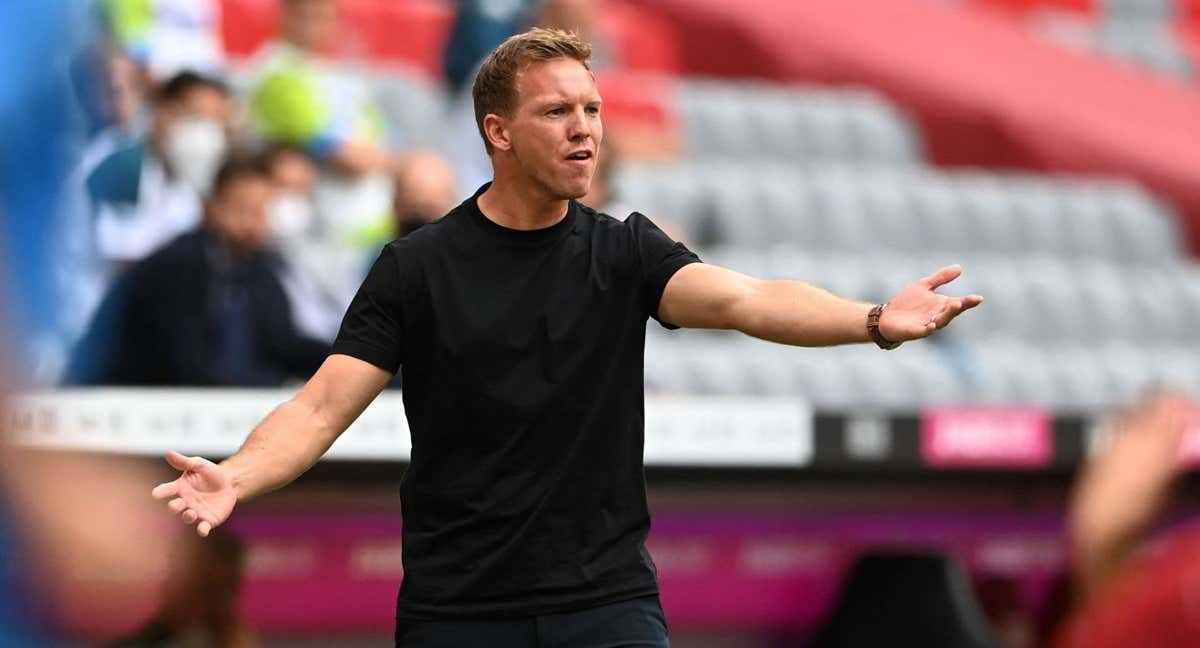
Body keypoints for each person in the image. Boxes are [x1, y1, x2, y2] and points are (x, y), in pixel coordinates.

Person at [152, 28, 983, 647]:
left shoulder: (627, 251)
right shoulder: (416, 267)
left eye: (592, 109)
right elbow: (322, 406)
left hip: (608, 608)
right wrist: (236, 476)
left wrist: (873, 321)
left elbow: (748, 299)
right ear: (498, 132)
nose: (586, 128)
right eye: (557, 111)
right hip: (458, 612)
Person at [66, 154, 328, 386]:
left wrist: (349, 360)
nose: (252, 222)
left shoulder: (259, 269)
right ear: (211, 205)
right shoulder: (179, 264)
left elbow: (283, 342)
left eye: (261, 211)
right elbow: (188, 363)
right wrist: (271, 382)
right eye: (242, 208)